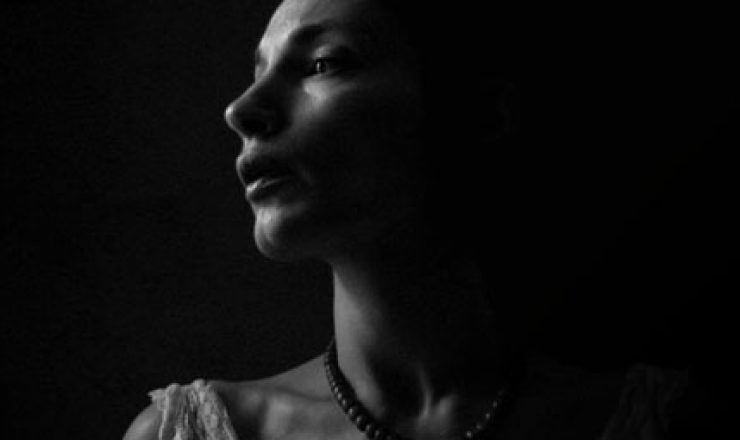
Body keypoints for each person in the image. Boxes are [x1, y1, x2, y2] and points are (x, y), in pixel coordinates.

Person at [123, 0, 692, 439]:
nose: (241, 110)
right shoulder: (184, 434)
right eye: (259, 69)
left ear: (478, 113)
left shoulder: (661, 423)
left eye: (323, 63)